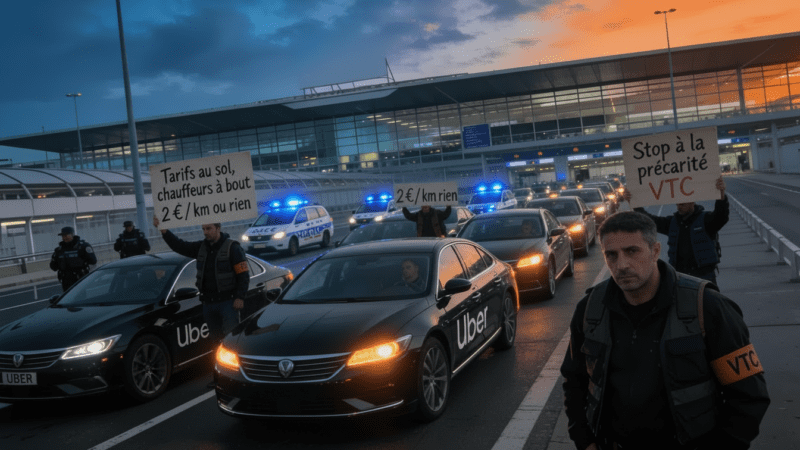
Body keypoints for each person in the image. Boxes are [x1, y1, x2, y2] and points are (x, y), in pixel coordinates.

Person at [561, 211, 769, 450]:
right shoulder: (590, 310)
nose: (622, 265)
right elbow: (574, 381)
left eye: (632, 251)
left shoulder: (707, 307)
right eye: (612, 255)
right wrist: (584, 441)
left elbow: (748, 394)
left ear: (655, 251)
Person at [153, 216, 249, 388]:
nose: (205, 232)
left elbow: (243, 275)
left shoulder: (232, 248)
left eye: (209, 229)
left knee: (231, 342)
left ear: (218, 228)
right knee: (215, 343)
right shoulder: (201, 247)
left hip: (228, 303)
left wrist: (240, 297)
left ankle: (238, 378)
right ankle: (219, 377)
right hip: (209, 303)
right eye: (203, 229)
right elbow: (180, 246)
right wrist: (164, 231)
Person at [623, 176, 729, 285]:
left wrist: (721, 195)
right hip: (680, 277)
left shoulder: (706, 220)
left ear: (692, 201)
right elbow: (648, 220)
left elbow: (721, 216)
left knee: (707, 302)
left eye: (682, 204)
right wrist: (633, 202)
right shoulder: (672, 223)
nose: (679, 207)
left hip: (704, 277)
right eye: (677, 204)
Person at [49, 226, 97, 292]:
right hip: (66, 280)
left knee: (80, 297)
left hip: (80, 278)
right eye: (63, 236)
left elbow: (93, 261)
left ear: (72, 235)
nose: (64, 238)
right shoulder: (59, 250)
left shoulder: (82, 247)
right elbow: (53, 267)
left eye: (66, 235)